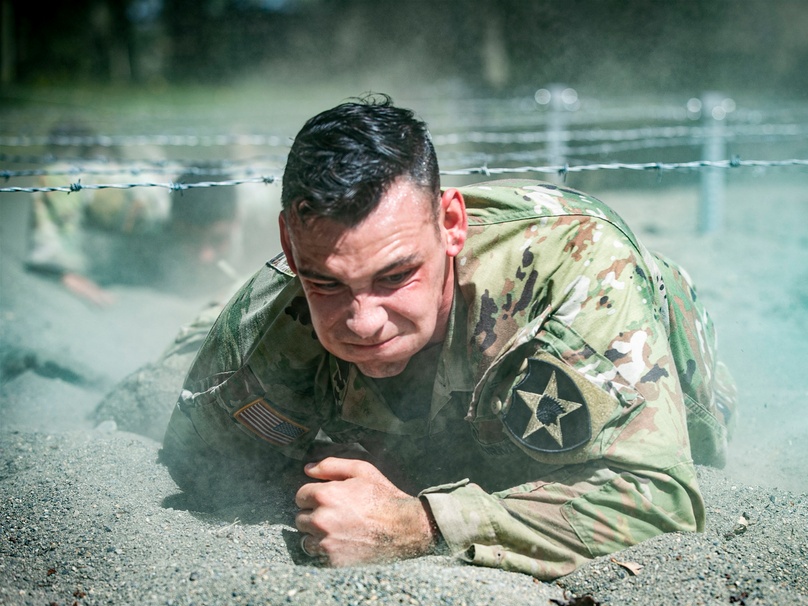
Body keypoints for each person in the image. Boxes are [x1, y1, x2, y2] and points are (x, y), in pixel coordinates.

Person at [160, 95, 736, 580]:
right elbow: (198, 453)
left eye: (395, 276)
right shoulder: (283, 301)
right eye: (327, 283)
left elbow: (660, 501)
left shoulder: (581, 271)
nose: (363, 320)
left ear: (452, 225)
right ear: (289, 247)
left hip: (649, 362)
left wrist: (420, 524)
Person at [25, 128, 240, 305]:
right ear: (173, 220)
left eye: (218, 239)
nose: (206, 256)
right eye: (192, 239)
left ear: (236, 219)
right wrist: (63, 268)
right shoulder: (138, 205)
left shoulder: (255, 200)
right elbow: (57, 176)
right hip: (133, 170)